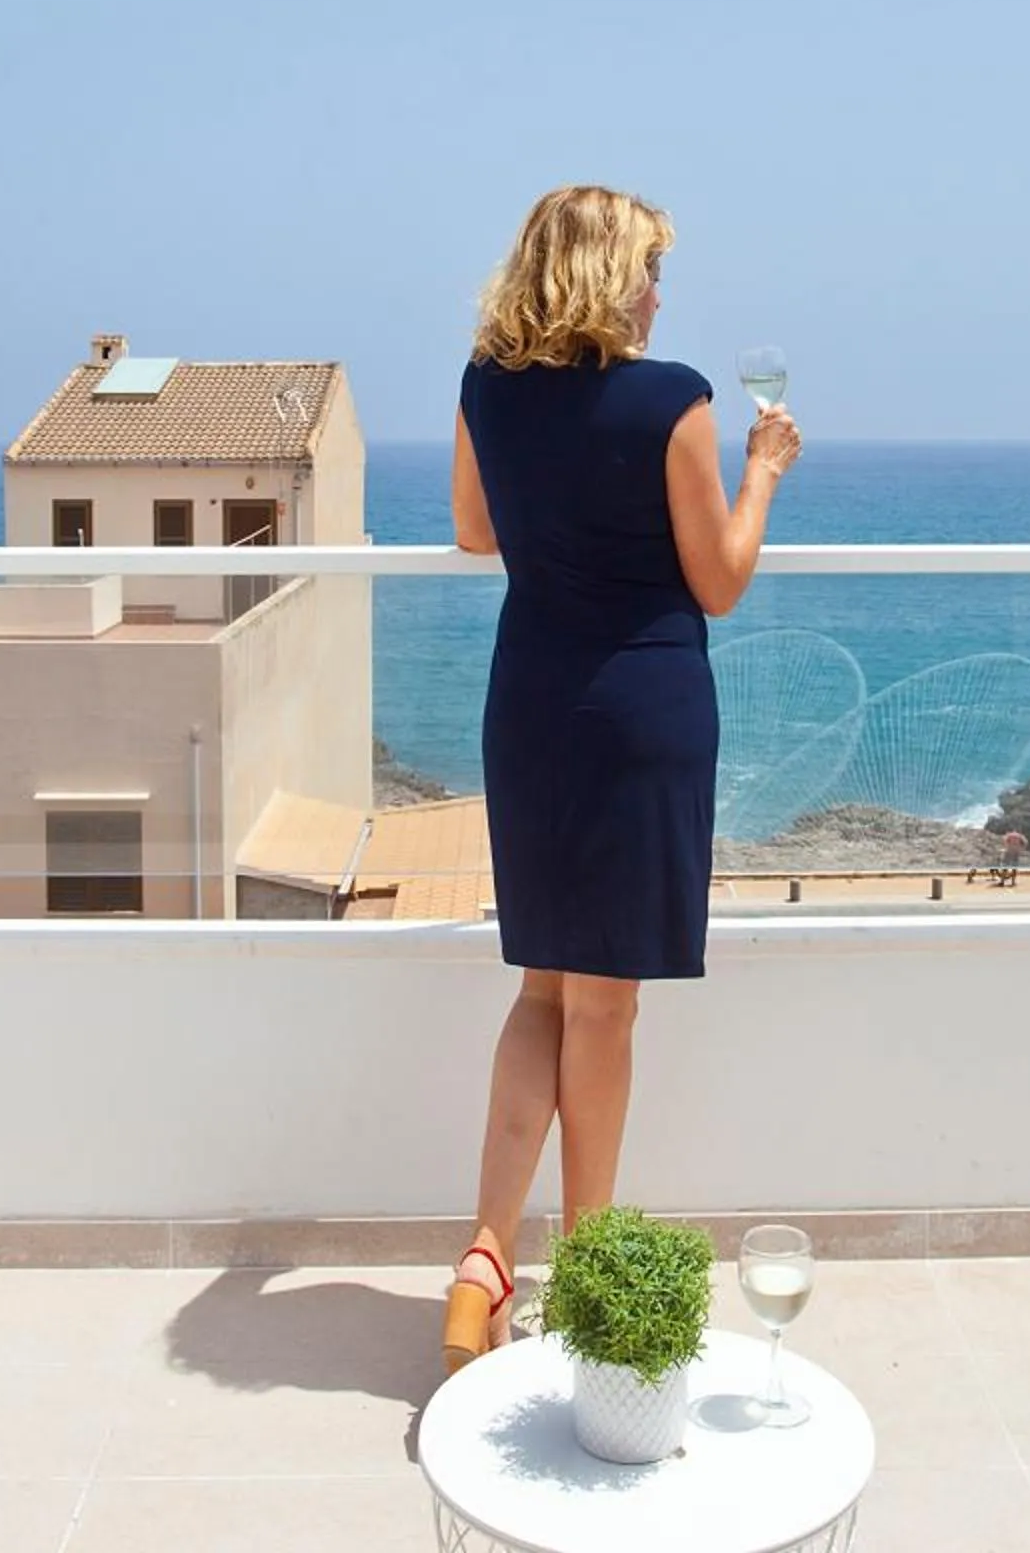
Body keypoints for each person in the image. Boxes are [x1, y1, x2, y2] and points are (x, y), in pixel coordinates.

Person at [440, 184, 802, 1372]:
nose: (659, 293)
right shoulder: (673, 398)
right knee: (605, 1002)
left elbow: (474, 531)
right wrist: (764, 472)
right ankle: (590, 1270)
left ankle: (488, 1256)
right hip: (640, 710)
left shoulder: (484, 383)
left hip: (531, 703)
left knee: (546, 987)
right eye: (649, 269)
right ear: (609, 275)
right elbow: (721, 579)